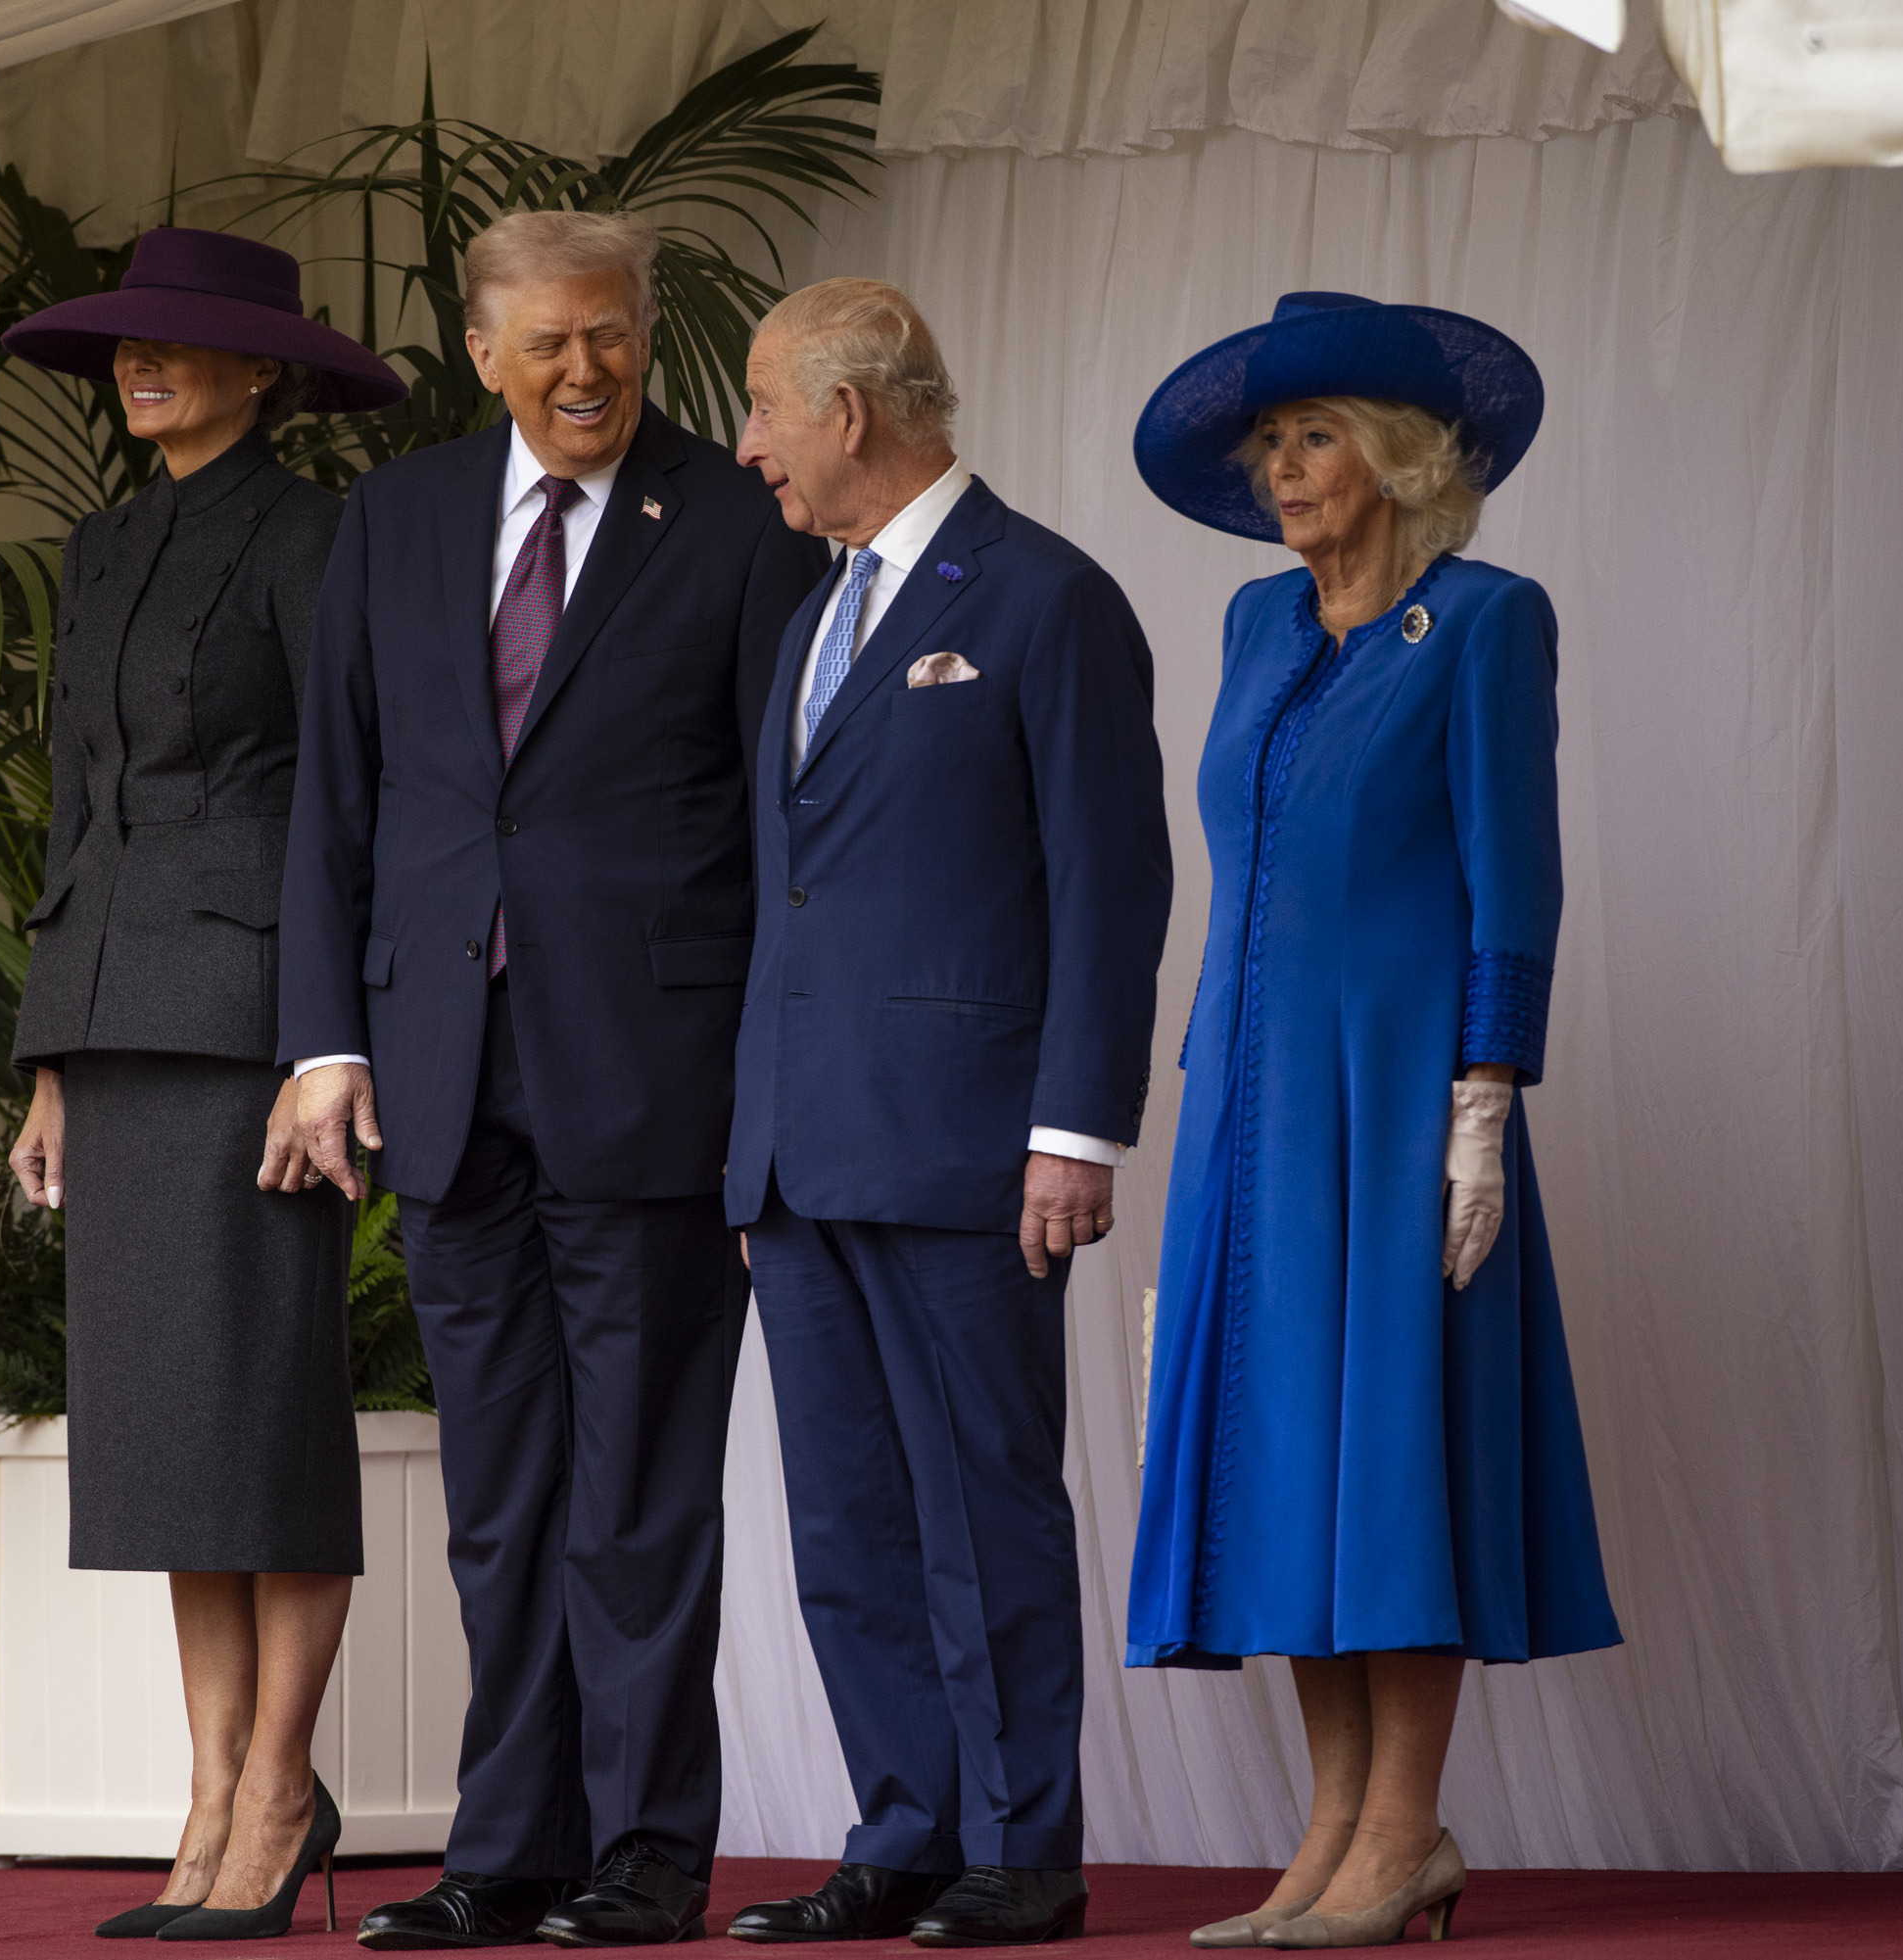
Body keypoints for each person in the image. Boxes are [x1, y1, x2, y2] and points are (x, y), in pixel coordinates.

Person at [267, 210, 829, 1949]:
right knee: (500, 1495)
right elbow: (338, 799)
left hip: (656, 1077)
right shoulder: (402, 516)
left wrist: (773, 1098)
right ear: (484, 355)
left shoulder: (740, 523)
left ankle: (647, 1848)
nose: (588, 368)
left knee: (642, 1493)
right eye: (553, 341)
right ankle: (506, 1844)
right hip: (439, 1077)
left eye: (615, 334)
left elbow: (788, 825)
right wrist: (323, 1040)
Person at [1125, 292, 1622, 1950]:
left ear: (1402, 459)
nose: (1281, 470)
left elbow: (1514, 876)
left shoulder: (1486, 621)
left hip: (1401, 1094)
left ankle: (1401, 1828)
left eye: (1312, 436)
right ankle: (1329, 1827)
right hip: (1251, 1103)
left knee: (1389, 1454)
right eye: (1269, 445)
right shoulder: (1259, 626)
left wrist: (1484, 1099)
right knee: (1282, 1464)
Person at [718, 279, 1171, 1949]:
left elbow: (1111, 884)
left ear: (848, 412)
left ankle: (1019, 1840)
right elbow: (798, 893)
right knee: (844, 1519)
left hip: (972, 1141)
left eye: (765, 407)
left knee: (984, 1502)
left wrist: (1077, 1127)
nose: (747, 443)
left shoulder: (1051, 598)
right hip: (801, 1146)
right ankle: (902, 1828)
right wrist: (750, 1137)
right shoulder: (807, 615)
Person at [0, 227, 409, 1942]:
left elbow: (354, 799)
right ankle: (205, 1781)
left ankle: (281, 1787)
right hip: (116, 1023)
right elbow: (71, 812)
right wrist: (45, 1063)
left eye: (178, 345)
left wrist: (332, 1041)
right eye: (126, 347)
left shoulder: (318, 536)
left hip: (257, 1026)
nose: (141, 366)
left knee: (267, 1422)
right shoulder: (102, 548)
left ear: (265, 370)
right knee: (173, 1439)